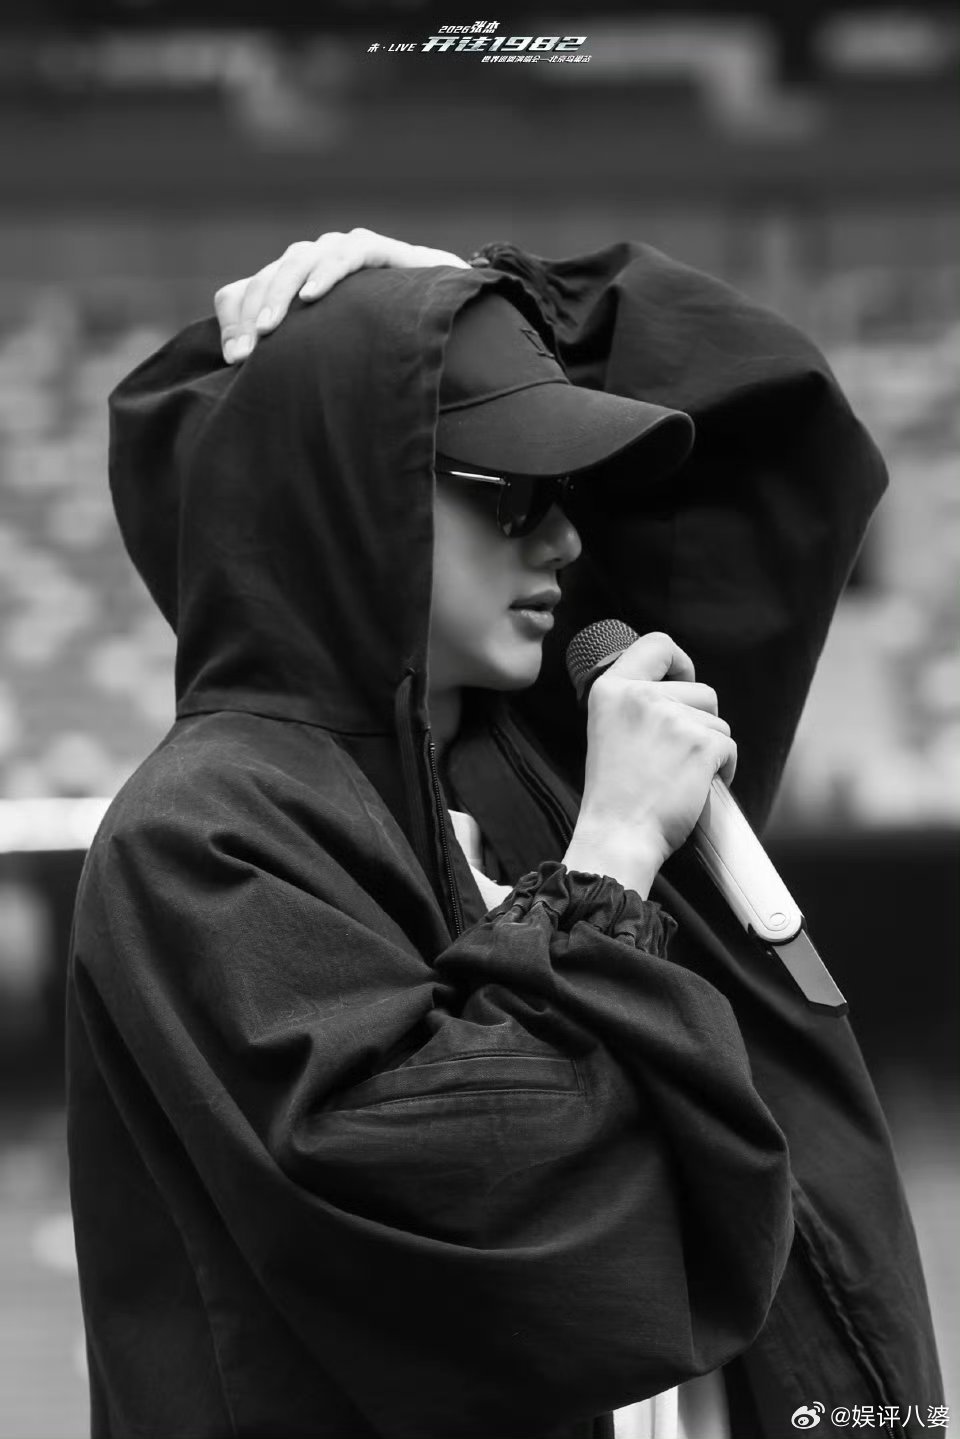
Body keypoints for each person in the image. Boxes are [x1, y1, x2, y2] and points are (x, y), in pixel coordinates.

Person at [67, 229, 943, 1439]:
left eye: (569, 494)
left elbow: (775, 407)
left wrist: (478, 296)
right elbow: (487, 1203)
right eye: (512, 488)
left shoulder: (535, 743)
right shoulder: (201, 827)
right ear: (357, 493)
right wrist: (611, 856)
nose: (564, 537)